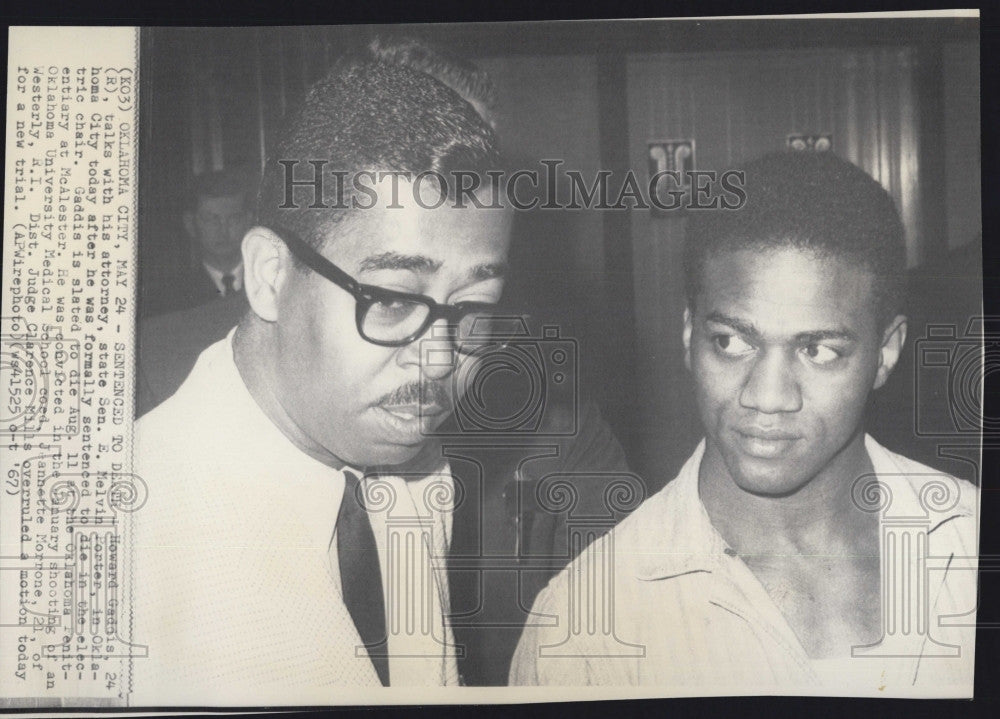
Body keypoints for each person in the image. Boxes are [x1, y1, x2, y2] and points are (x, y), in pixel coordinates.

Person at [131, 39, 634, 689]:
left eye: (473, 306)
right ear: (268, 275)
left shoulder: (413, 462)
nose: (440, 358)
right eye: (394, 300)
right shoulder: (125, 530)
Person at [510, 151, 978, 697]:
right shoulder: (582, 629)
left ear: (886, 352)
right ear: (689, 334)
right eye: (731, 342)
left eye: (820, 350)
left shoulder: (969, 543)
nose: (767, 396)